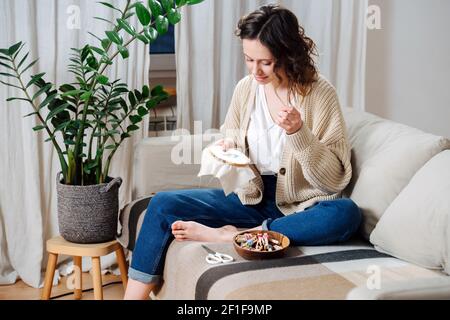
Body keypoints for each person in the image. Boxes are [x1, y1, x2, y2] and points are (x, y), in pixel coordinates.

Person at [124, 4, 361, 300]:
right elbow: (232, 136)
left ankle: (235, 235)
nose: (255, 70)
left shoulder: (319, 94)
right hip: (251, 198)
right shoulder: (246, 89)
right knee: (161, 205)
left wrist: (299, 132)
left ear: (287, 54)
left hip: (303, 204)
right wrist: (228, 147)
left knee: (346, 214)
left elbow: (333, 179)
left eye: (265, 62)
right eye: (249, 59)